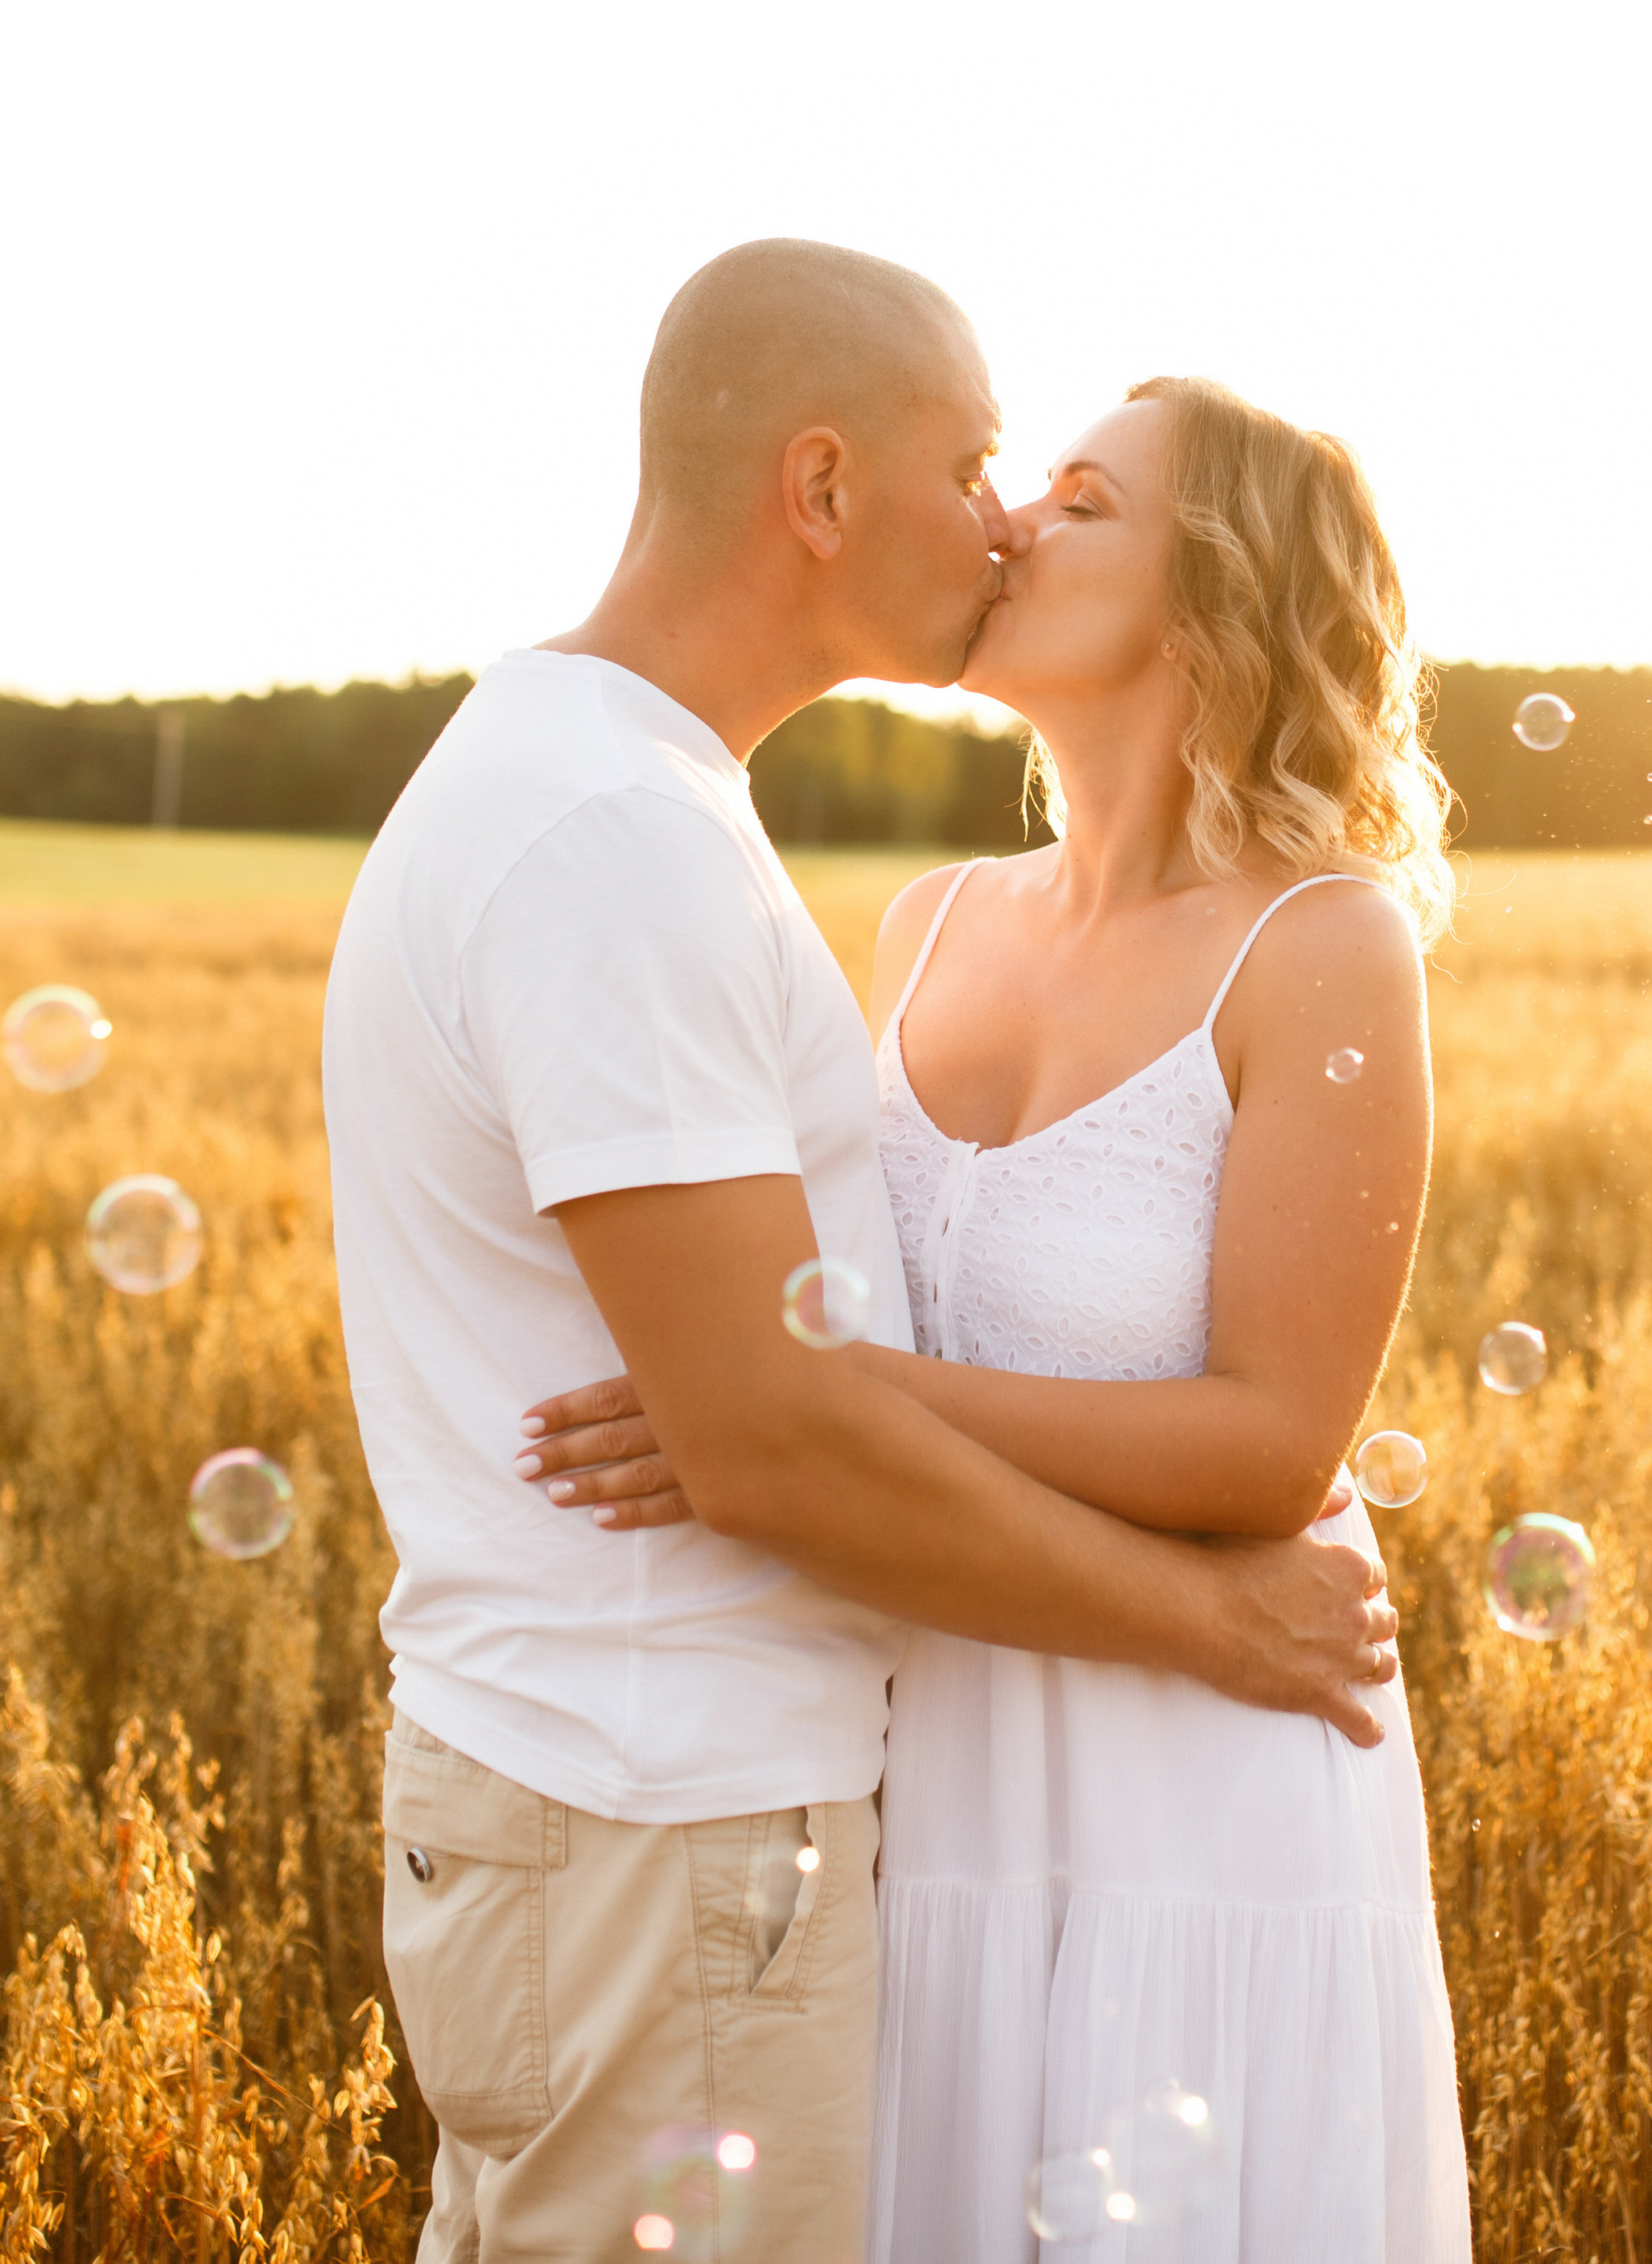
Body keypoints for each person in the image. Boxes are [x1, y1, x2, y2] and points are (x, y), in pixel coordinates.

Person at [323, 241, 1397, 2264]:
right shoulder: (629, 838)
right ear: (818, 488)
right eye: (982, 466)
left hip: (921, 1796)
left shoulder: (651, 808)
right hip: (682, 1799)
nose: (1002, 519)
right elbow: (767, 1432)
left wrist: (792, 1398)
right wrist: (1200, 1614)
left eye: (1063, 491)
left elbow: (795, 1391)